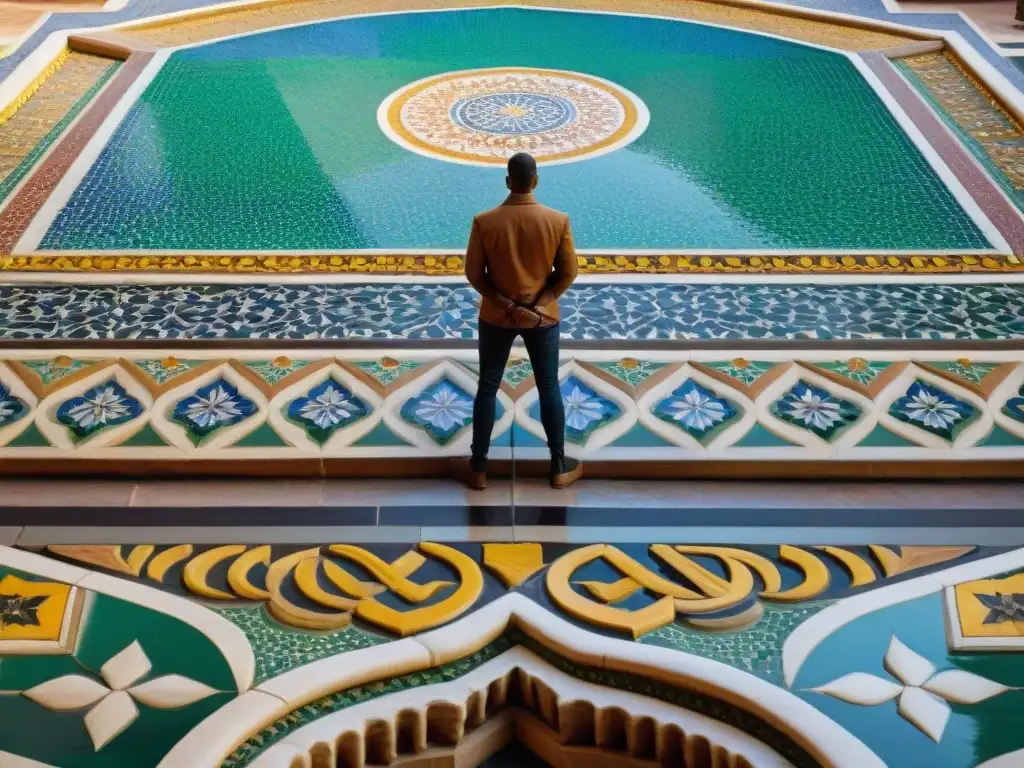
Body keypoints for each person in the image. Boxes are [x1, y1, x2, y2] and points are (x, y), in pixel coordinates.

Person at [452, 152, 582, 490]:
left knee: (487, 387)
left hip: (496, 317)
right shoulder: (557, 220)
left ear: (508, 181)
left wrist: (508, 306)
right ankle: (558, 465)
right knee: (549, 387)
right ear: (535, 181)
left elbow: (474, 274)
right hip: (543, 319)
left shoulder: (485, 221)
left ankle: (479, 466)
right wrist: (538, 305)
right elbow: (568, 273)